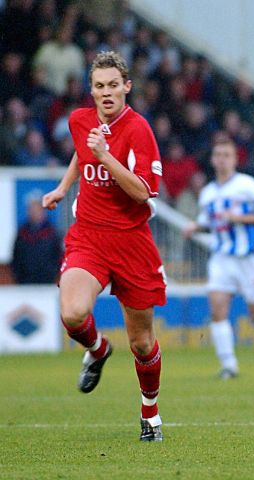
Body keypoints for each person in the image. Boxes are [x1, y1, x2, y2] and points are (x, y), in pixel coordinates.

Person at [42, 51, 166, 442]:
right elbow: (83, 153)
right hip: (89, 236)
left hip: (132, 241)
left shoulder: (139, 130)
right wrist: (63, 189)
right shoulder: (80, 120)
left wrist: (105, 157)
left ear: (127, 86)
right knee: (74, 313)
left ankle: (150, 414)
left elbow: (144, 192)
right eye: (100, 86)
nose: (107, 92)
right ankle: (97, 350)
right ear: (90, 90)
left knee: (142, 343)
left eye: (114, 85)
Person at [183, 137, 254, 379]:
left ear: (235, 159)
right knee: (217, 309)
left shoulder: (247, 186)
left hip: (248, 257)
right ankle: (229, 366)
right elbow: (211, 222)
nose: (222, 159)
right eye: (218, 155)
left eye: (227, 155)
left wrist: (240, 218)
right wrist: (196, 227)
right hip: (222, 258)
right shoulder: (208, 192)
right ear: (213, 160)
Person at [11, 195, 62, 284]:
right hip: (25, 281)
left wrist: (52, 273)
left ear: (43, 211)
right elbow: (16, 256)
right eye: (32, 209)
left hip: (47, 280)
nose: (34, 212)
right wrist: (18, 275)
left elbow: (58, 255)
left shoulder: (52, 233)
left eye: (37, 209)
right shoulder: (22, 233)